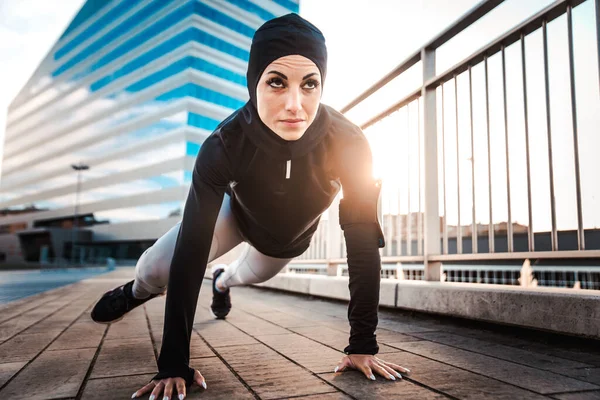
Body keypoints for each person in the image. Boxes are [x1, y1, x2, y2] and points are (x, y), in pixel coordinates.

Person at [91, 13, 411, 400]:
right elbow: (192, 249)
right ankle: (137, 291)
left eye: (310, 85)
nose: (296, 104)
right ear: (253, 82)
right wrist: (173, 362)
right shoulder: (223, 144)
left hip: (287, 241)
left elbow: (362, 242)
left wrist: (362, 344)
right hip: (236, 218)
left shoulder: (349, 142)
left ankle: (223, 281)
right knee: (158, 266)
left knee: (249, 276)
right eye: (277, 82)